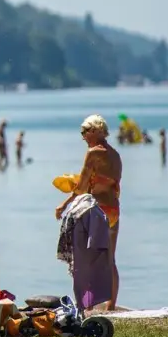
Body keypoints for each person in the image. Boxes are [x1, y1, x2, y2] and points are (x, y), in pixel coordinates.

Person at [57, 114, 123, 308]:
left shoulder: (93, 153)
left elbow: (82, 188)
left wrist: (64, 203)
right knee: (110, 259)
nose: (83, 137)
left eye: (84, 132)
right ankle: (111, 305)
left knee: (86, 261)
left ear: (95, 130)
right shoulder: (116, 155)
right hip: (113, 210)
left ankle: (87, 305)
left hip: (96, 212)